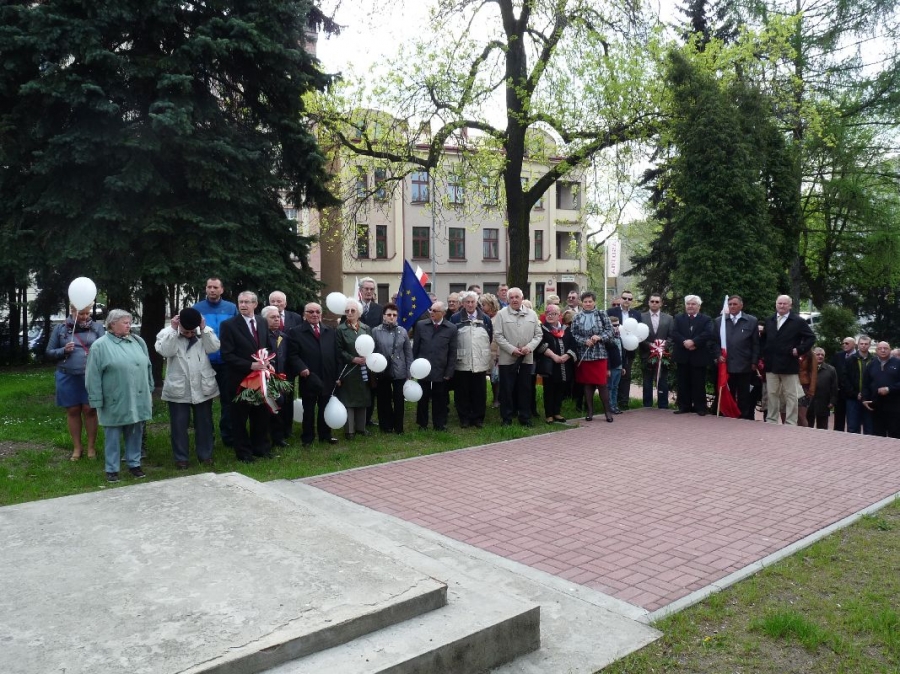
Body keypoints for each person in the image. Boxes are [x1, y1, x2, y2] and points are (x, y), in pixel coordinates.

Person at [85, 310, 153, 483]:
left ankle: (134, 464)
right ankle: (112, 469)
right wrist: (96, 399)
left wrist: (149, 387)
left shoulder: (138, 341)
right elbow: (92, 375)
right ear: (112, 324)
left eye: (130, 322)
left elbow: (148, 366)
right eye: (125, 322)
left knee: (136, 430)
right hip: (114, 397)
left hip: (138, 395)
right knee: (113, 435)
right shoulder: (100, 346)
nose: (129, 325)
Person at [155, 307, 220, 468]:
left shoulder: (204, 331)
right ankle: (181, 458)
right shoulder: (167, 333)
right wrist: (173, 331)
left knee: (204, 424)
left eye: (192, 332)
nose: (190, 335)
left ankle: (205, 455)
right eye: (186, 332)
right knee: (179, 425)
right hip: (179, 387)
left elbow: (213, 348)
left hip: (202, 386)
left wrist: (204, 330)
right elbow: (166, 351)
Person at [45, 304, 106, 460]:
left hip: (89, 376)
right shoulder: (61, 329)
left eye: (87, 314)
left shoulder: (97, 328)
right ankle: (77, 448)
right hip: (67, 375)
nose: (85, 317)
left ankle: (91, 447)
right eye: (81, 314)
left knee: (90, 410)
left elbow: (105, 349)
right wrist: (63, 350)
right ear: (72, 311)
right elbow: (49, 352)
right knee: (73, 410)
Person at [219, 291, 271, 462]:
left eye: (247, 302)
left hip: (260, 378)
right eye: (240, 302)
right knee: (239, 417)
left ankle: (260, 448)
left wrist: (268, 362)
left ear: (255, 304)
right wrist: (250, 365)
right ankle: (243, 453)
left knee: (260, 414)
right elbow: (227, 354)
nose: (243, 305)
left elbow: (267, 347)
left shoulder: (262, 322)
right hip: (239, 379)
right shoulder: (229, 325)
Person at [287, 303, 340, 447]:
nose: (314, 314)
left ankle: (325, 435)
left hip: (328, 376)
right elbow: (292, 355)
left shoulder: (330, 331)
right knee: (309, 409)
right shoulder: (296, 332)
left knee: (325, 408)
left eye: (317, 311)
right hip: (309, 376)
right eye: (310, 312)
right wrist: (302, 368)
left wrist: (337, 376)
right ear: (304, 314)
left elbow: (336, 354)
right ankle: (307, 438)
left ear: (321, 314)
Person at [194, 278, 238, 446]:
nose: (212, 290)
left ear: (222, 290)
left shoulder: (231, 308)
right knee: (205, 400)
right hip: (205, 362)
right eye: (209, 287)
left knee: (228, 400)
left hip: (227, 362)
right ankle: (207, 436)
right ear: (205, 289)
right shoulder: (197, 309)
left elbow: (236, 331)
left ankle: (228, 435)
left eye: (215, 287)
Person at [761, 295, 816, 425]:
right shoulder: (769, 320)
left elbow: (811, 337)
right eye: (779, 303)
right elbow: (764, 339)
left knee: (791, 395)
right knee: (772, 393)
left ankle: (791, 422)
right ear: (776, 304)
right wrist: (764, 353)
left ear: (790, 305)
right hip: (771, 364)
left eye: (784, 304)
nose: (782, 306)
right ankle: (771, 419)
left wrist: (799, 349)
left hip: (789, 364)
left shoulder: (798, 321)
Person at [494, 288, 543, 426]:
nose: (514, 299)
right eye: (511, 297)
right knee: (507, 389)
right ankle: (507, 418)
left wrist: (530, 347)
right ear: (508, 299)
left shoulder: (532, 314)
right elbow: (498, 336)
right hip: (507, 358)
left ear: (522, 298)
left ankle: (525, 417)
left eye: (517, 297)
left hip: (526, 358)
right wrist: (512, 349)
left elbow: (538, 335)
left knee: (525, 388)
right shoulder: (501, 314)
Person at [570, 290, 615, 422]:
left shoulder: (602, 314)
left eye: (590, 301)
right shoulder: (577, 317)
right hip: (585, 356)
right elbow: (573, 334)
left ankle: (607, 411)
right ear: (581, 303)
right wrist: (584, 341)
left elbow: (610, 331)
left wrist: (600, 337)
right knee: (588, 384)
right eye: (585, 302)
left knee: (602, 384)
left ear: (594, 302)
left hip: (600, 355)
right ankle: (590, 411)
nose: (588, 304)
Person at [450, 291, 493, 428]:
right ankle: (464, 418)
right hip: (462, 361)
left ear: (476, 303)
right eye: (467, 302)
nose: (470, 304)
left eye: (472, 302)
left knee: (479, 392)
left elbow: (490, 337)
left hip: (479, 361)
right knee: (462, 392)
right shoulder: (455, 318)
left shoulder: (485, 318)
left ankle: (478, 418)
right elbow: (451, 338)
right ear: (463, 303)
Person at [412, 302, 457, 431]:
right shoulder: (421, 325)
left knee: (440, 398)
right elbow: (415, 348)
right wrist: (413, 367)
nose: (431, 313)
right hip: (422, 369)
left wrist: (449, 372)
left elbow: (452, 352)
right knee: (423, 397)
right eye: (431, 310)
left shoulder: (451, 328)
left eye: (435, 311)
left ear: (443, 313)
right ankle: (422, 424)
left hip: (441, 369)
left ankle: (439, 424)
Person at [713, 295, 760, 420]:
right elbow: (714, 342)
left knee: (744, 394)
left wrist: (754, 361)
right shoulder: (720, 321)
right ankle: (729, 416)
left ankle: (743, 418)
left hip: (745, 364)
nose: (732, 306)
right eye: (730, 304)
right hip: (726, 364)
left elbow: (755, 343)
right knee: (729, 393)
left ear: (741, 305)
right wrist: (718, 355)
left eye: (735, 304)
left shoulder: (751, 320)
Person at [372, 303, 413, 434]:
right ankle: (386, 426)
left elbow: (408, 353)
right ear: (384, 316)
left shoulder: (402, 331)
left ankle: (398, 427)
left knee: (399, 399)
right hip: (382, 370)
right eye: (389, 314)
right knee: (384, 399)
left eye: (394, 315)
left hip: (399, 370)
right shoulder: (376, 331)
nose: (391, 317)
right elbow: (372, 352)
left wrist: (409, 372)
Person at [336, 299, 373, 439]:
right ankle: (349, 430)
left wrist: (367, 357)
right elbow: (338, 350)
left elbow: (371, 345)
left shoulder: (366, 328)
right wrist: (352, 358)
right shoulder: (340, 329)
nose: (350, 313)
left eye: (353, 310)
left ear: (359, 313)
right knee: (349, 399)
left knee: (363, 397)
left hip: (363, 369)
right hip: (348, 369)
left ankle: (361, 428)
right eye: (347, 311)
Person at [671, 295, 714, 416]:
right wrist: (684, 342)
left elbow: (708, 333)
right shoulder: (678, 318)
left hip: (698, 355)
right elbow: (674, 333)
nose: (690, 306)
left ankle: (700, 407)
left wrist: (694, 342)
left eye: (693, 304)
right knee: (682, 382)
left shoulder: (706, 319)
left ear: (699, 306)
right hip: (682, 355)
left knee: (698, 383)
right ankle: (684, 406)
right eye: (688, 304)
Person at [536, 304, 578, 423]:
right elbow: (540, 345)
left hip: (564, 364)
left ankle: (557, 412)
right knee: (549, 389)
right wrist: (554, 356)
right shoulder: (542, 329)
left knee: (561, 388)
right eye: (548, 313)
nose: (550, 316)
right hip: (550, 364)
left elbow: (573, 345)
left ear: (559, 315)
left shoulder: (566, 329)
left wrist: (567, 356)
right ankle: (549, 414)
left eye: (553, 313)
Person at [261, 305, 292, 447]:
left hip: (282, 377)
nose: (276, 319)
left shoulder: (283, 336)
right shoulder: (261, 336)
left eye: (278, 317)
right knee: (268, 408)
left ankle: (278, 437)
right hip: (266, 378)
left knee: (280, 406)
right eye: (272, 317)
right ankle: (265, 437)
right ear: (264, 319)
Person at [607, 290, 641, 410]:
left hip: (629, 350)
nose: (627, 300)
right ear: (620, 299)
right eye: (625, 298)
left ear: (632, 301)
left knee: (626, 376)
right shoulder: (611, 312)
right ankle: (611, 403)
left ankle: (624, 402)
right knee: (612, 378)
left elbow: (639, 331)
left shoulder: (636, 314)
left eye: (629, 299)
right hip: (613, 349)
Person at [640, 294, 674, 409]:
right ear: (648, 302)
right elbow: (638, 335)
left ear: (661, 303)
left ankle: (663, 406)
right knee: (647, 381)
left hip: (663, 355)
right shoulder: (641, 317)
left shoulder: (669, 318)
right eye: (652, 301)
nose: (654, 303)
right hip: (646, 353)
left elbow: (671, 336)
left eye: (657, 302)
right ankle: (647, 406)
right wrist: (650, 345)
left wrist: (663, 346)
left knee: (663, 380)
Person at [862, 341, 900, 438]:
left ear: (890, 350)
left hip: (895, 406)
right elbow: (865, 384)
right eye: (880, 348)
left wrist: (889, 389)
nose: (883, 350)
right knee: (878, 435)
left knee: (895, 434)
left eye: (885, 348)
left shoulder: (898, 363)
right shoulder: (871, 365)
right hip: (877, 405)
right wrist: (864, 399)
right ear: (876, 351)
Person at [843, 334, 874, 434]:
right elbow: (845, 379)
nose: (863, 346)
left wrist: (867, 394)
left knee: (869, 428)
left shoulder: (874, 361)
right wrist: (855, 393)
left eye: (866, 344)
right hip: (853, 399)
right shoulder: (850, 360)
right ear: (858, 345)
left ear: (869, 345)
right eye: (861, 344)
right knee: (852, 428)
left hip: (869, 399)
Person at [479, 293, 502, 408]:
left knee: (495, 378)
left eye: (483, 305)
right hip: (484, 352)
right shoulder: (482, 317)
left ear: (491, 304)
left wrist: (498, 353)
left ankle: (497, 399)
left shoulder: (499, 317)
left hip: (495, 351)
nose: (481, 307)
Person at [830, 336, 856, 432]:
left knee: (852, 420)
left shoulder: (858, 357)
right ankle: (838, 437)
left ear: (854, 344)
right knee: (838, 420)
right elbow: (832, 372)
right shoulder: (838, 356)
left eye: (847, 343)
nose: (844, 345)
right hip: (840, 393)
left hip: (853, 393)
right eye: (843, 343)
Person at [809, 347, 837, 429]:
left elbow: (834, 387)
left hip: (824, 403)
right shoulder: (807, 368)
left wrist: (832, 401)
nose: (820, 356)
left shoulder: (831, 370)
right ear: (813, 355)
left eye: (822, 355)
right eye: (818, 354)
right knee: (807, 426)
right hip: (808, 402)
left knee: (823, 428)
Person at [606, 316, 625, 414]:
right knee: (610, 387)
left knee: (615, 387)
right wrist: (607, 368)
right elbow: (606, 355)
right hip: (612, 367)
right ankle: (609, 406)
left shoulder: (619, 338)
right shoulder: (608, 339)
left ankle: (614, 405)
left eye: (618, 325)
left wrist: (623, 366)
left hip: (619, 367)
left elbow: (622, 353)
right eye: (614, 325)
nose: (616, 327)